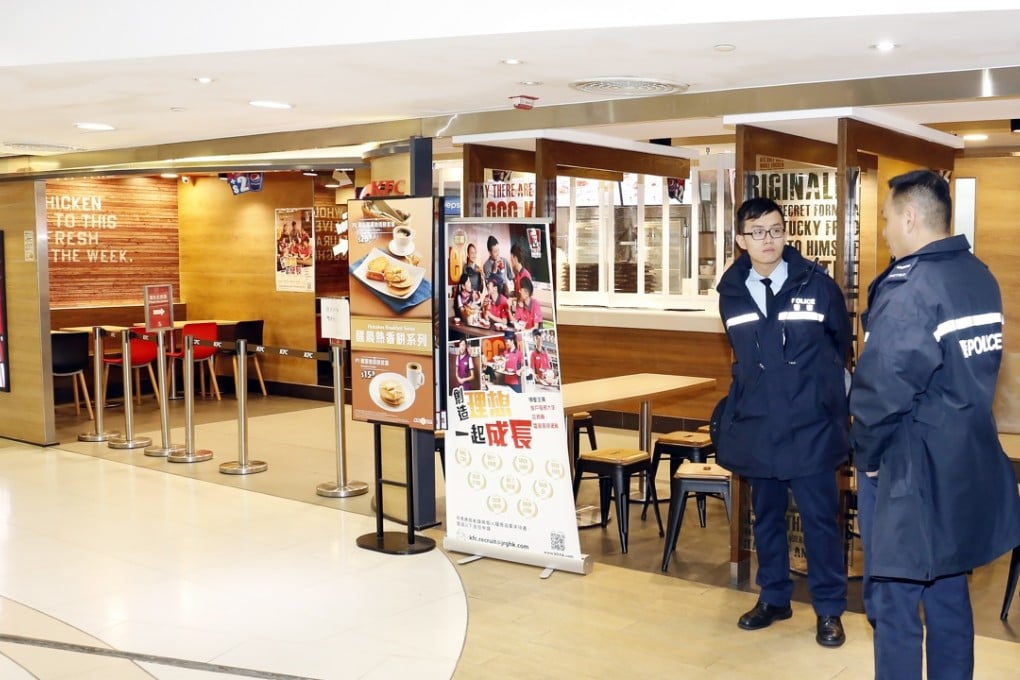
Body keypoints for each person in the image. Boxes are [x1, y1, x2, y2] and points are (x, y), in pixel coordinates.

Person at [849, 169, 1020, 679]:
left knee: (894, 603)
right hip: (963, 462)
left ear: (909, 216)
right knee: (947, 595)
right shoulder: (978, 276)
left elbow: (881, 390)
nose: (884, 232)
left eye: (885, 220)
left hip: (910, 470)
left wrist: (869, 459)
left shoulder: (913, 288)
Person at [714, 196, 851, 648]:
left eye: (775, 230)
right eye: (757, 232)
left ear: (785, 233)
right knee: (766, 517)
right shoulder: (730, 291)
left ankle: (830, 610)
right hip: (759, 424)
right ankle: (774, 596)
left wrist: (825, 398)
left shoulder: (818, 284)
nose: (768, 240)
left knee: (819, 521)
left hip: (811, 426)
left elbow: (841, 348)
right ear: (741, 240)